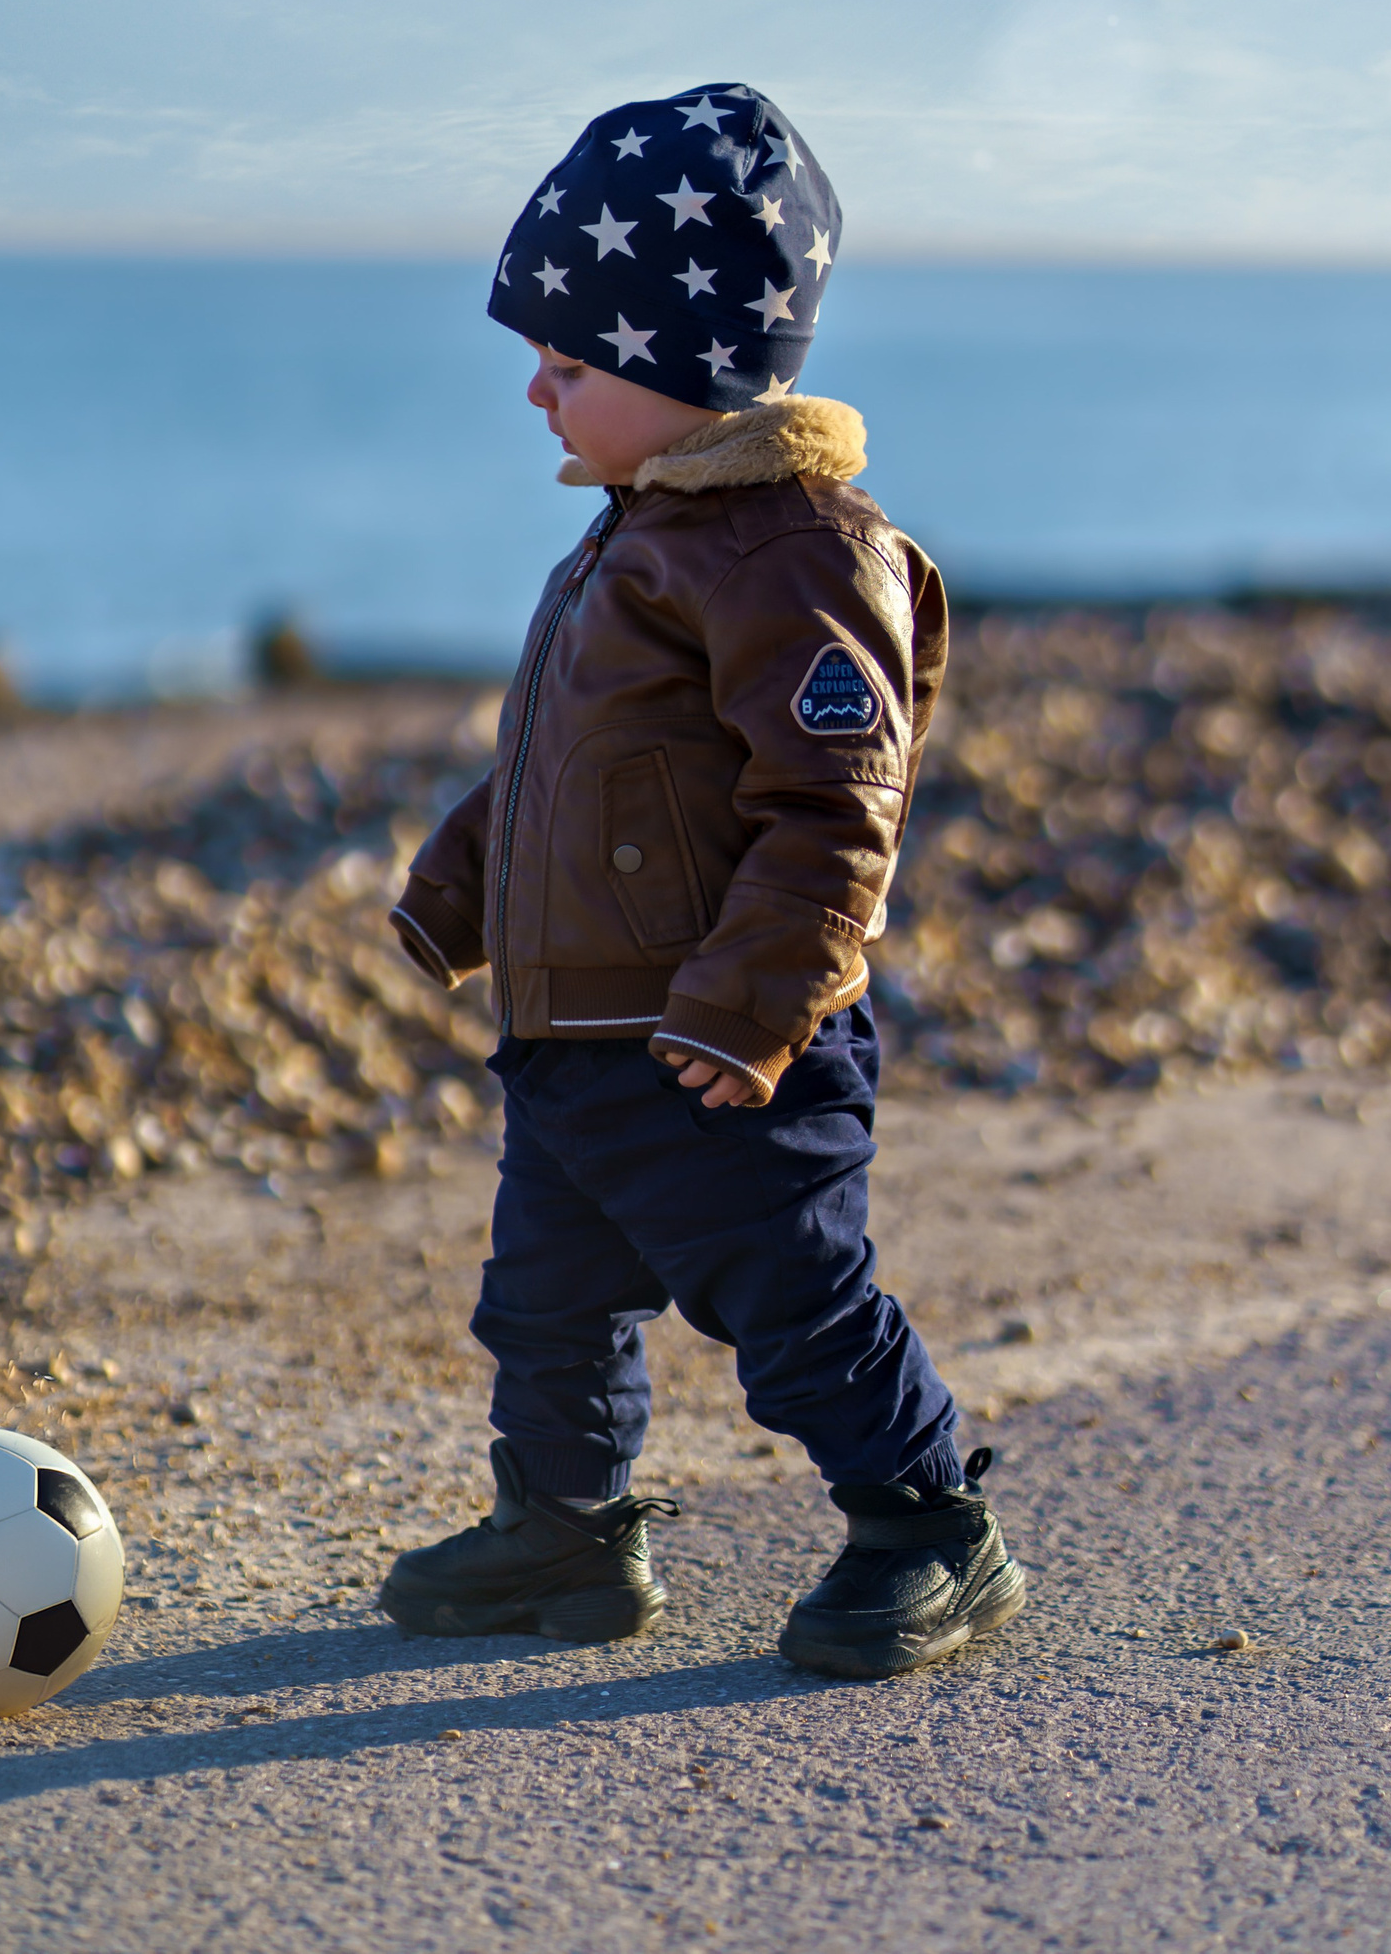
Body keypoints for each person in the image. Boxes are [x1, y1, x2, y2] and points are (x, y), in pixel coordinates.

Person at [377, 84, 1022, 1679]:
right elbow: (558, 768)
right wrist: (458, 888)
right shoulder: (631, 536)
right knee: (544, 1304)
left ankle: (929, 1522)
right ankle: (569, 1530)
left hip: (725, 1048)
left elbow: (835, 812)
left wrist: (754, 1012)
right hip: (583, 1041)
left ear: (688, 367)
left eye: (570, 361)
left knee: (791, 1299)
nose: (536, 390)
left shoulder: (797, 550)